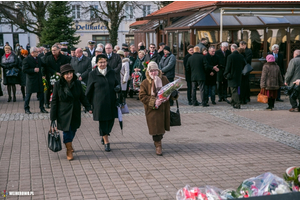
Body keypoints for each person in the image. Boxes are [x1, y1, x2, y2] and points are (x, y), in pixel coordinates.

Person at [50, 64, 92, 161]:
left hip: (75, 110)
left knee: (73, 129)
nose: (69, 76)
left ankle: (69, 144)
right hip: (63, 112)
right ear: (62, 75)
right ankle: (69, 149)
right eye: (66, 74)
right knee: (67, 130)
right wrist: (53, 117)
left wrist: (88, 107)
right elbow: (54, 101)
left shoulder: (77, 83)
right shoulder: (57, 84)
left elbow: (82, 96)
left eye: (70, 73)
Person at [139, 61, 178, 156]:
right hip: (152, 109)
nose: (153, 73)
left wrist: (174, 93)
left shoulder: (164, 79)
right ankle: (158, 145)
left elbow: (170, 89)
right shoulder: (145, 82)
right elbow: (142, 96)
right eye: (151, 71)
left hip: (164, 108)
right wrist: (154, 101)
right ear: (148, 72)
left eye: (155, 70)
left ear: (158, 70)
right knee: (155, 128)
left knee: (161, 128)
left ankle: (158, 140)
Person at [86, 54, 120, 152]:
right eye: (100, 62)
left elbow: (117, 84)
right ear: (96, 63)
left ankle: (104, 134)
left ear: (107, 62)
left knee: (111, 122)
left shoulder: (112, 72)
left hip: (111, 101)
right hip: (99, 103)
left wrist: (118, 88)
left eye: (104, 62)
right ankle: (106, 141)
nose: (102, 64)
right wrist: (88, 105)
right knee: (103, 122)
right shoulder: (92, 74)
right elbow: (89, 90)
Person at [22, 47, 48, 114]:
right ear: (32, 52)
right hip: (31, 80)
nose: (38, 53)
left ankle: (42, 108)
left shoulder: (38, 58)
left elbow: (44, 64)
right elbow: (24, 70)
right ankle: (26, 108)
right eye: (37, 52)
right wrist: (33, 70)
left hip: (39, 79)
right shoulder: (26, 59)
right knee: (28, 95)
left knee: (41, 94)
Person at [224, 44, 245, 109]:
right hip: (238, 75)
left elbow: (228, 67)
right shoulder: (241, 56)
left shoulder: (230, 56)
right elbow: (244, 64)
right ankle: (232, 102)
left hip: (232, 75)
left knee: (233, 90)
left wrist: (225, 73)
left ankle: (237, 103)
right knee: (234, 88)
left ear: (232, 49)